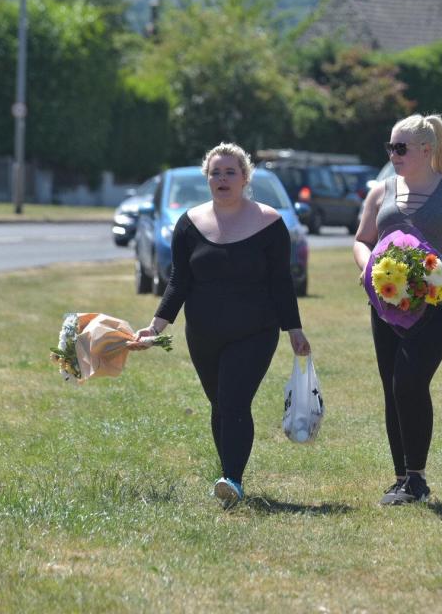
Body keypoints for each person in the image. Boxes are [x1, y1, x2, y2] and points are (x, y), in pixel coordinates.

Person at [128, 143, 311, 509]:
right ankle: (228, 473)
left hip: (255, 331)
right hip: (204, 333)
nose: (222, 179)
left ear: (245, 178)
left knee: (234, 400)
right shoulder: (189, 224)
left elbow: (280, 282)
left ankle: (233, 480)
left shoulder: (270, 223)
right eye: (215, 173)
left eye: (230, 172)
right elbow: (179, 282)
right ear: (206, 178)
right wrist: (155, 327)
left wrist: (294, 329)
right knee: (219, 404)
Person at [354, 114, 442, 505]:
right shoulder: (381, 192)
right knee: (392, 387)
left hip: (436, 308)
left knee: (410, 382)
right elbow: (362, 240)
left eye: (400, 148)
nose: (393, 155)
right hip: (385, 306)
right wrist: (371, 267)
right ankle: (400, 477)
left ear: (425, 150)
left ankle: (417, 478)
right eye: (390, 147)